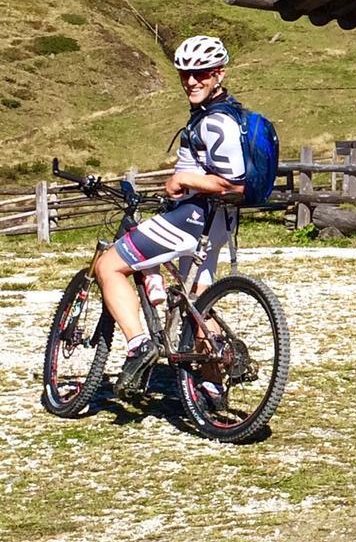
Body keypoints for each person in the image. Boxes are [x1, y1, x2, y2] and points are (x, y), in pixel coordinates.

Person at [93, 35, 245, 403]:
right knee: (197, 299)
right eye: (185, 74)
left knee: (109, 266)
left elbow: (234, 183)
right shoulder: (223, 113)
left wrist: (183, 179)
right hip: (216, 221)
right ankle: (210, 385)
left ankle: (139, 346)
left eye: (201, 73)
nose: (192, 81)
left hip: (193, 217)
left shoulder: (216, 123)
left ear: (219, 73)